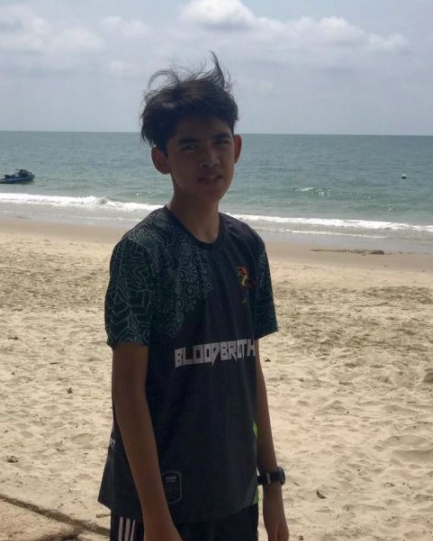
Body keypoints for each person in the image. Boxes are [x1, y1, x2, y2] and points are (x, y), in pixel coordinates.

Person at [98, 53, 289, 541]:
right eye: (189, 146)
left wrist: (272, 487)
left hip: (235, 493)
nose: (210, 158)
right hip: (159, 502)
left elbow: (250, 371)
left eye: (220, 142)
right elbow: (128, 392)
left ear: (237, 148)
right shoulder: (143, 252)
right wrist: (156, 518)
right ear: (161, 159)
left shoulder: (247, 247)